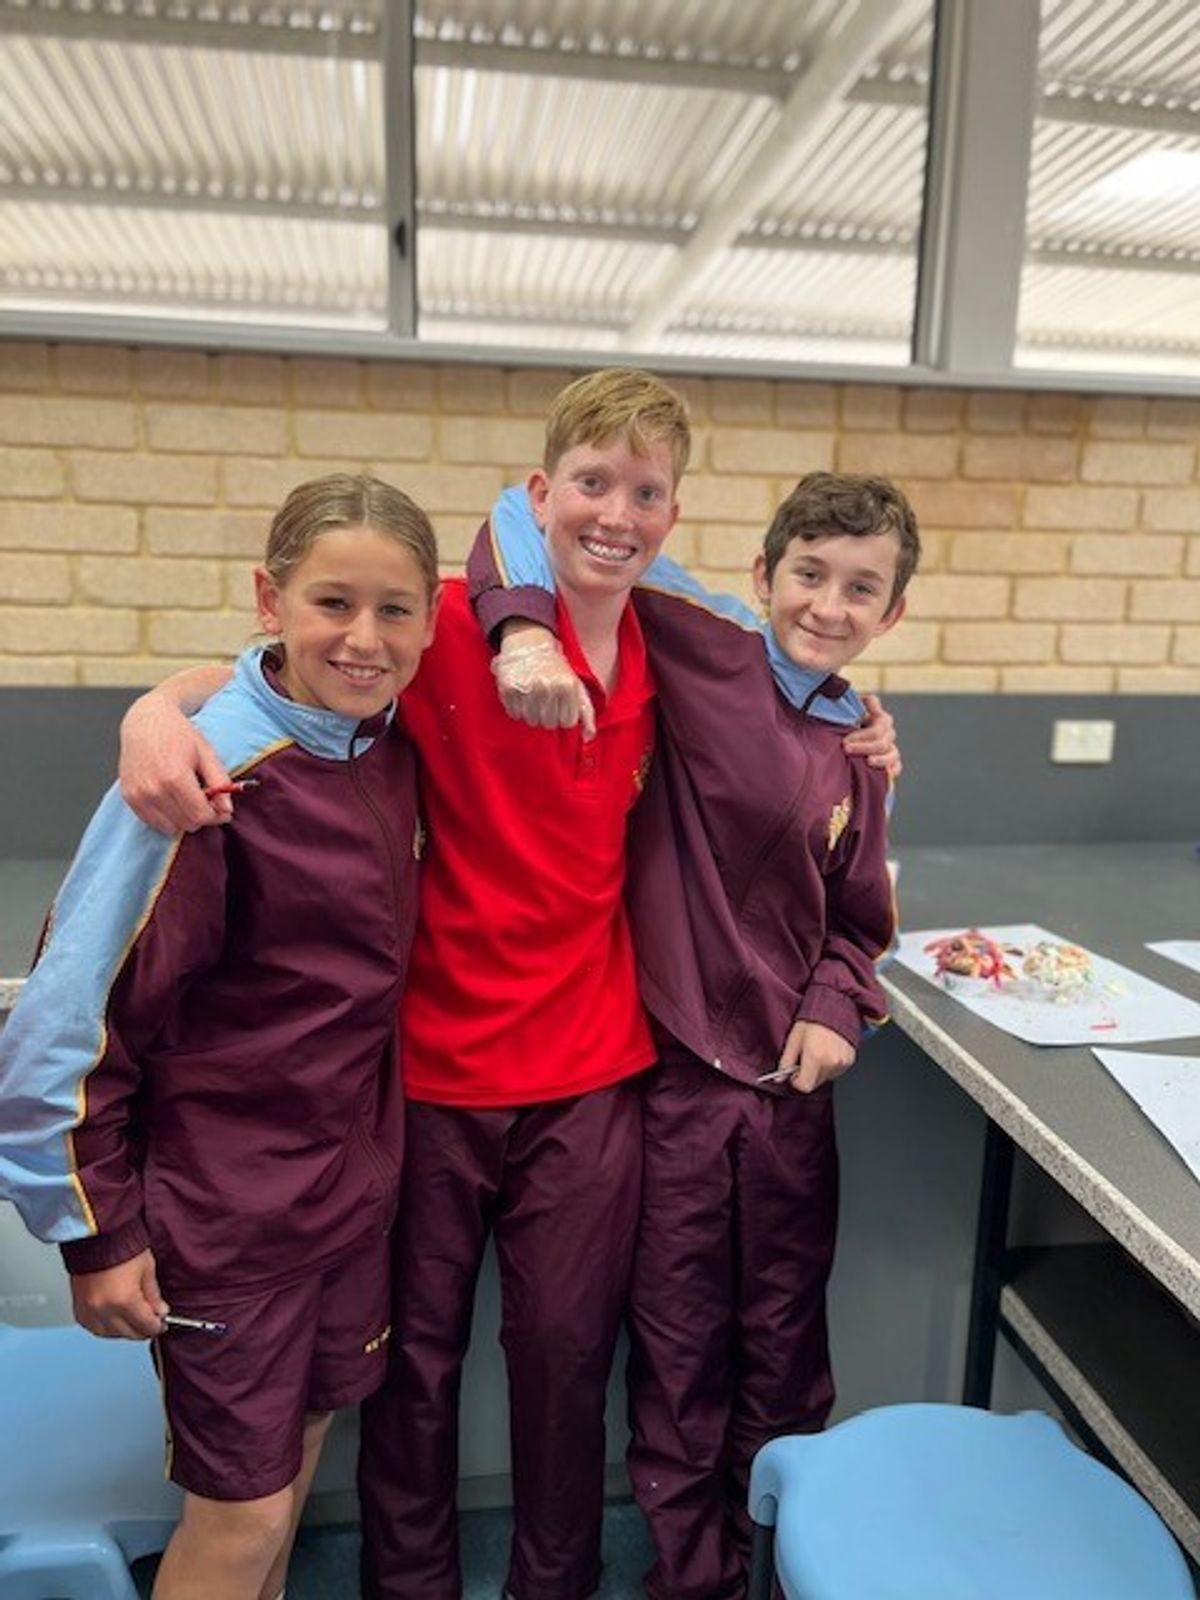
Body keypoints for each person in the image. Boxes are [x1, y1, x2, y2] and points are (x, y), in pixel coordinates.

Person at [113, 370, 898, 1600]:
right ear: (539, 494)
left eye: (646, 493)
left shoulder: (679, 642)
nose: (616, 514)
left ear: (673, 515)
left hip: (593, 1074)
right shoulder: (432, 624)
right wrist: (153, 713)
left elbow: (804, 682)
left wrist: (866, 720)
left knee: (565, 1363)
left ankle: (554, 1583)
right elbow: (276, 671)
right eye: (590, 484)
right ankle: (409, 1584)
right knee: (413, 1369)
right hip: (428, 1073)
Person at [470, 469, 918, 1600]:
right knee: (676, 1360)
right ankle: (693, 1579)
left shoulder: (859, 749)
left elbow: (860, 923)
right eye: (809, 574)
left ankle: (775, 1572)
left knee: (786, 1356)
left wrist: (835, 1006)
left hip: (790, 1104)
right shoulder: (699, 642)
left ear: (893, 612)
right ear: (762, 575)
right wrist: (524, 632)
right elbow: (525, 516)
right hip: (674, 1089)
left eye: (861, 588)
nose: (828, 605)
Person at [0, 473, 439, 1600]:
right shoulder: (199, 782)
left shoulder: (386, 746)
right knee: (240, 1518)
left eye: (395, 609)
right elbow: (62, 1024)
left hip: (345, 1198)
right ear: (269, 598)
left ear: (432, 621)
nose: (364, 637)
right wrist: (92, 1235)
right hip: (226, 1216)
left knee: (298, 1455)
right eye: (332, 602)